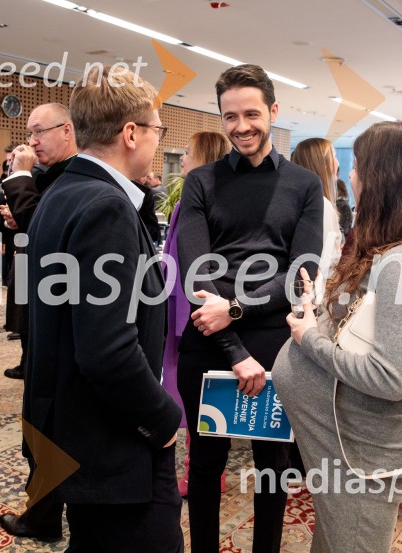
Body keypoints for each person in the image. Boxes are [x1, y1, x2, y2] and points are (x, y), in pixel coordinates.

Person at [273, 121, 402, 552]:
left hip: (363, 453)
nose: (351, 176)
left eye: (358, 166)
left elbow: (388, 377)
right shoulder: (400, 248)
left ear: (383, 177)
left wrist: (308, 339)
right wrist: (320, 309)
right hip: (350, 442)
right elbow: (369, 328)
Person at [24, 65, 183, 552]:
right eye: (156, 130)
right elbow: (106, 349)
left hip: (73, 427)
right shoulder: (105, 207)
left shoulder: (63, 192)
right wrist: (162, 418)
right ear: (131, 133)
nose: (157, 141)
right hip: (111, 435)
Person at [176, 64, 323, 553]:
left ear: (274, 112)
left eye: (252, 114)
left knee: (272, 468)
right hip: (210, 341)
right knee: (205, 466)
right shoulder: (200, 181)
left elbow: (302, 276)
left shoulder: (304, 185)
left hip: (274, 345)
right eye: (230, 116)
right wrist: (232, 344)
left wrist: (234, 309)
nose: (242, 126)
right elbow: (197, 273)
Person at [0, 102, 78, 542]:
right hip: (41, 309)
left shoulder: (73, 177)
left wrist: (19, 182)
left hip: (60, 318)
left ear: (67, 131)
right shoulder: (54, 177)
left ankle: (45, 517)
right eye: (28, 133)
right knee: (41, 419)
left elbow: (46, 233)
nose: (30, 141)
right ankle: (45, 511)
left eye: (38, 131)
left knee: (44, 421)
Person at [161, 131, 231, 498]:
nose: (182, 160)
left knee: (187, 392)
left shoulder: (190, 204)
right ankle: (205, 468)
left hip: (188, 310)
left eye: (187, 153)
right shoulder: (224, 202)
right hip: (204, 307)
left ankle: (197, 471)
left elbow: (178, 265)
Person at [291, 138, 343, 280]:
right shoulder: (321, 204)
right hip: (319, 292)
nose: (337, 163)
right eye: (334, 156)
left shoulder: (297, 200)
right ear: (322, 163)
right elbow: (324, 262)